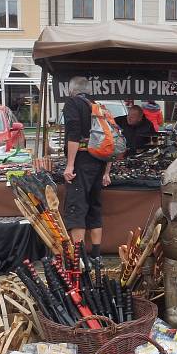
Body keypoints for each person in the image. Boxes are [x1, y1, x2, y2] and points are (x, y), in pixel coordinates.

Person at [62, 76, 112, 258]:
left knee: (77, 208)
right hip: (99, 163)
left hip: (81, 163)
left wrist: (70, 165)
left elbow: (73, 135)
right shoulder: (98, 107)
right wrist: (107, 171)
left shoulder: (73, 104)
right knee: (94, 206)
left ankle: (79, 259)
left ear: (71, 90)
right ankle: (96, 256)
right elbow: (110, 143)